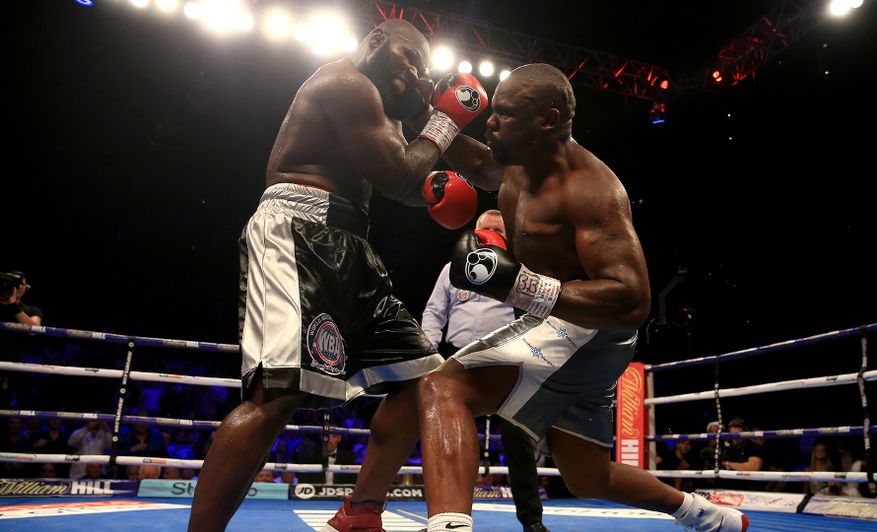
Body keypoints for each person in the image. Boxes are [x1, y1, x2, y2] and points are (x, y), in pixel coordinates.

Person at [414, 63, 749, 532]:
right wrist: (423, 115)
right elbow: (478, 164)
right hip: (574, 334)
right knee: (587, 475)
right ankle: (710, 517)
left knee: (443, 387)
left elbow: (632, 300)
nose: (490, 122)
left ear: (547, 120)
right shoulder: (519, 161)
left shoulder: (591, 191)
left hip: (589, 331)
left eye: (505, 114)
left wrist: (518, 285)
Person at [187, 18, 488, 532]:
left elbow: (405, 180)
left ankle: (360, 512)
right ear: (374, 41)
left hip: (352, 243)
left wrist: (438, 190)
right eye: (406, 55)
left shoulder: (383, 111)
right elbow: (397, 173)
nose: (412, 71)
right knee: (276, 396)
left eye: (420, 65)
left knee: (427, 381)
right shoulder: (344, 83)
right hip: (298, 229)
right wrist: (443, 121)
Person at [421, 209, 549, 532]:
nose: (492, 234)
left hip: (504, 359)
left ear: (507, 238)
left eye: (498, 230)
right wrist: (429, 354)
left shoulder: (520, 272)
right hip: (457, 359)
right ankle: (446, 517)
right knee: (445, 434)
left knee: (518, 436)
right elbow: (435, 313)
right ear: (475, 235)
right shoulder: (452, 269)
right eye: (486, 229)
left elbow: (537, 315)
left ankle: (531, 520)